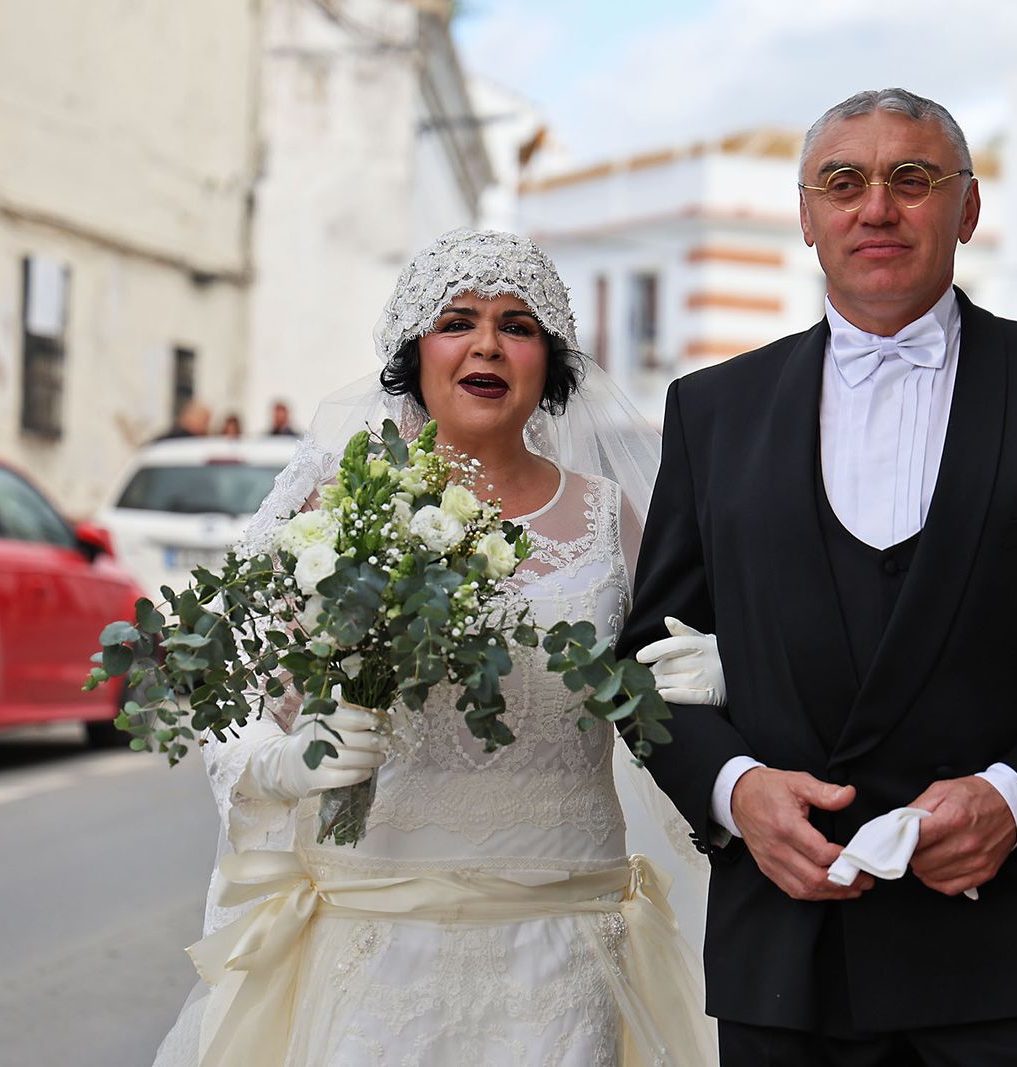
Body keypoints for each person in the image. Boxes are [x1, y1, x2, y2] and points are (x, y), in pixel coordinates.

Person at [620, 88, 1017, 1065]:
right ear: (807, 215)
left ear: (967, 209)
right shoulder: (712, 410)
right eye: (844, 182)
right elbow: (645, 658)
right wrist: (734, 790)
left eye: (912, 178)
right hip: (793, 951)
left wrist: (1016, 794)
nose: (877, 207)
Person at [151, 229, 718, 1066]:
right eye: (459, 320)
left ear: (550, 362)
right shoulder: (337, 504)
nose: (488, 343)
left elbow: (666, 686)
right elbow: (230, 693)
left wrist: (719, 672)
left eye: (518, 325)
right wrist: (284, 764)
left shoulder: (614, 517)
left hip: (563, 948)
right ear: (415, 352)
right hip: (375, 939)